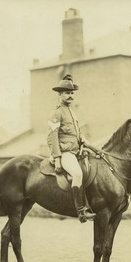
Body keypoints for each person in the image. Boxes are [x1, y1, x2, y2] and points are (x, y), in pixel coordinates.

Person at [47, 74, 96, 223]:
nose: (70, 96)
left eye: (72, 93)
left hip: (76, 151)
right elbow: (52, 137)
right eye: (67, 93)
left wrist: (83, 141)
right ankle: (81, 211)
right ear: (60, 94)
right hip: (65, 152)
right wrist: (57, 158)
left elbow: (76, 133)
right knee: (77, 174)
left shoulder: (72, 112)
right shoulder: (57, 112)